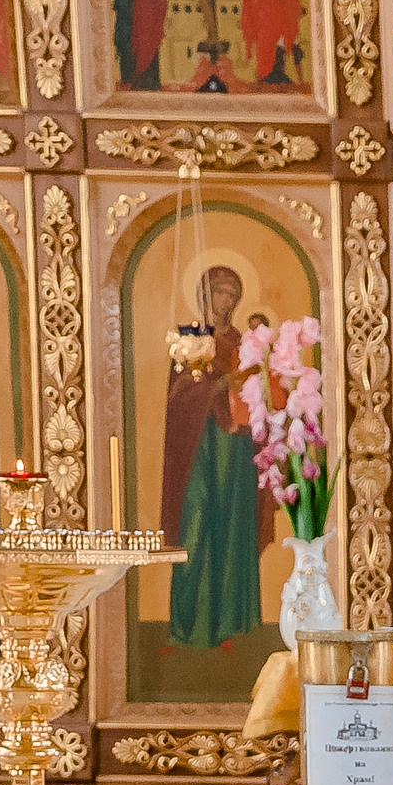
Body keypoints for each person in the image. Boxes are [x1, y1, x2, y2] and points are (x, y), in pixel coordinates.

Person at [162, 265, 277, 649]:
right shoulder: (186, 340)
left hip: (237, 449)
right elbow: (178, 398)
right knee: (195, 525)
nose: (224, 301)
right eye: (218, 292)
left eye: (231, 294)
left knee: (232, 528)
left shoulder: (242, 342)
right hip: (198, 448)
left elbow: (261, 388)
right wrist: (216, 388)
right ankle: (188, 627)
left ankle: (232, 624)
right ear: (203, 295)